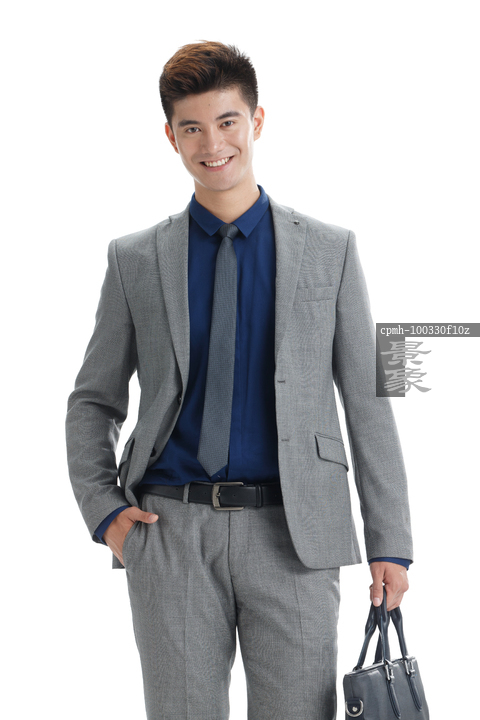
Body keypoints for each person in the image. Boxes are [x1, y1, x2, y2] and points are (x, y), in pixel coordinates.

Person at [66, 41, 413, 720]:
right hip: (170, 530)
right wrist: (105, 514)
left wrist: (391, 541)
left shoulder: (332, 250)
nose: (212, 143)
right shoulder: (135, 258)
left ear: (256, 121)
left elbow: (371, 399)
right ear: (171, 137)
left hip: (295, 534)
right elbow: (93, 400)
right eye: (192, 127)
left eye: (227, 121)